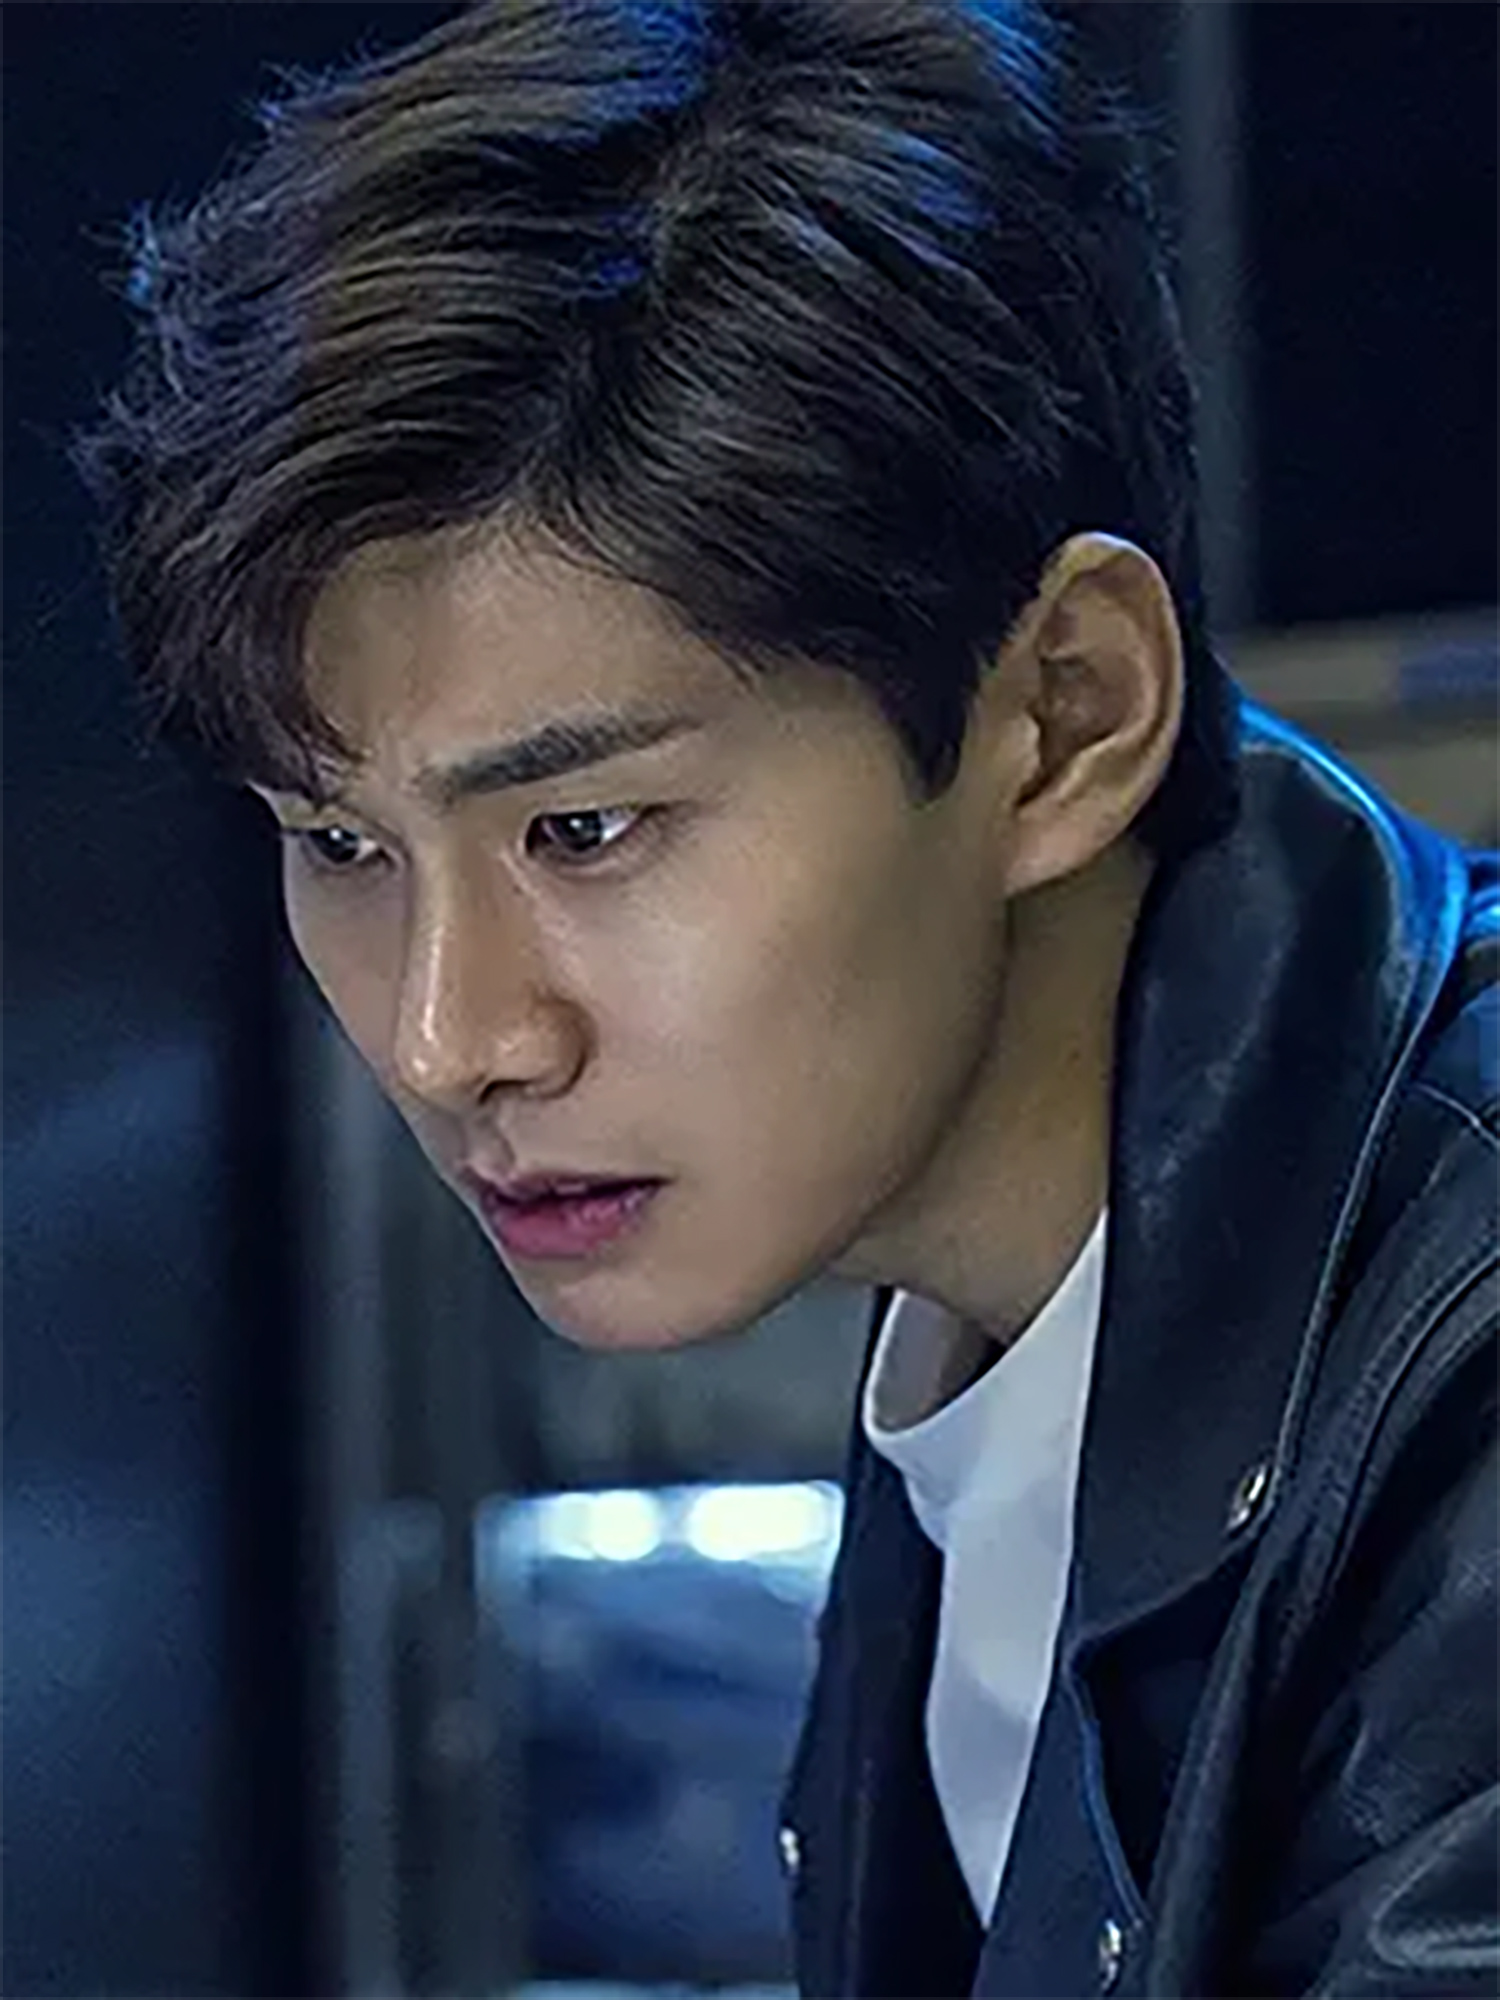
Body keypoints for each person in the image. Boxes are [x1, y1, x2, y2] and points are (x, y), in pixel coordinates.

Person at [78, 0, 1497, 1992]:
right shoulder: (980, 1288)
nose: (448, 1038)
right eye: (340, 843)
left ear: (1064, 712)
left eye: (585, 829)